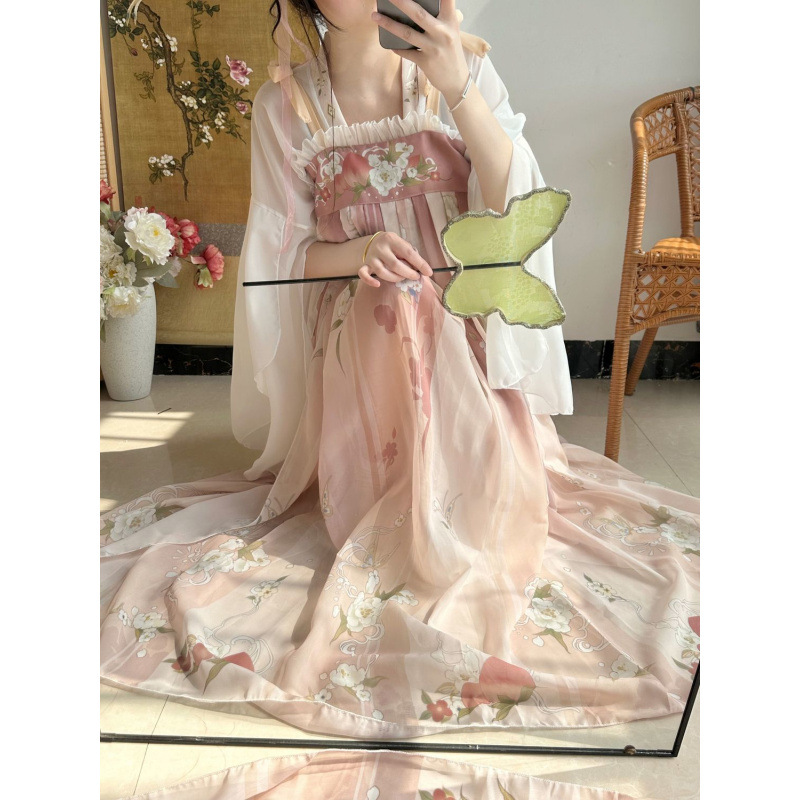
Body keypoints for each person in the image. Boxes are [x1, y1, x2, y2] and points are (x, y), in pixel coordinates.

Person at [101, 0, 699, 741]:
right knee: (397, 301)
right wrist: (361, 253)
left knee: (426, 319)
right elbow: (281, 259)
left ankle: (460, 503)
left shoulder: (458, 66)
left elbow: (515, 205)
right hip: (361, 328)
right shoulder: (286, 110)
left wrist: (458, 88)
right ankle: (401, 509)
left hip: (460, 323)